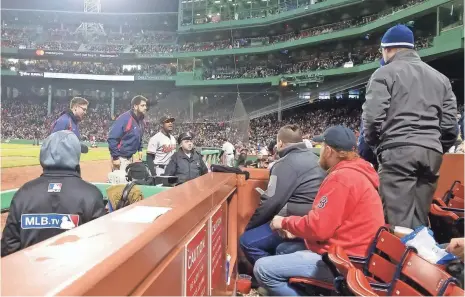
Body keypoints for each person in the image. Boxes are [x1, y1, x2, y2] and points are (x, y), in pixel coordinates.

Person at [254, 126, 385, 296]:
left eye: (322, 147)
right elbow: (328, 224)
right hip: (352, 253)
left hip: (345, 262)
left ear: (329, 151)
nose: (320, 151)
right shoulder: (356, 171)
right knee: (283, 249)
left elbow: (318, 228)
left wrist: (284, 222)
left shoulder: (342, 178)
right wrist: (298, 231)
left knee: (262, 269)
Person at [362, 24, 458, 229]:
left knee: (396, 225)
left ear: (388, 49)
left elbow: (371, 120)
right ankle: (424, 259)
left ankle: (400, 261)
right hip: (431, 155)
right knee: (419, 221)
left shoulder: (384, 73)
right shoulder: (441, 79)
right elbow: (450, 126)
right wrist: (434, 146)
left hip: (398, 152)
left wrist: (378, 146)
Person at [1, 131, 106, 257]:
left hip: (31, 273)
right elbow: (100, 249)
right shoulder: (91, 194)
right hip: (75, 274)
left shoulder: (23, 193)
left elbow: (8, 247)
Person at [240, 124, 326, 266]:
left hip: (297, 224)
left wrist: (250, 226)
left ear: (279, 142)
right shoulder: (315, 158)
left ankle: (270, 275)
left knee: (247, 241)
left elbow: (271, 202)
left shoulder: (284, 164)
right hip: (314, 221)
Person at [108, 95, 147, 172]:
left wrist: (140, 149)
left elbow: (139, 136)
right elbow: (112, 138)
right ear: (135, 106)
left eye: (145, 105)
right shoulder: (124, 118)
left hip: (130, 157)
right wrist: (115, 157)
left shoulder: (141, 121)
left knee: (128, 181)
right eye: (142, 105)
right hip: (120, 157)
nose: (145, 107)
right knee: (119, 182)